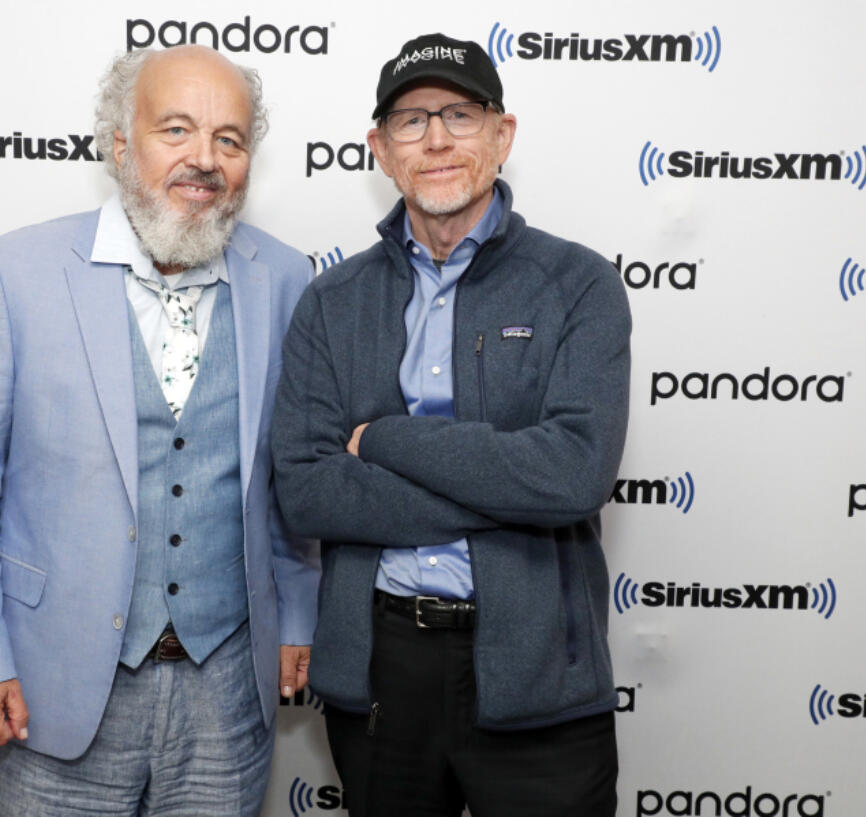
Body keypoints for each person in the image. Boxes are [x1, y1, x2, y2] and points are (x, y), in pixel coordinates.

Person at [0, 44, 319, 816]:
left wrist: (297, 613)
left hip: (226, 700)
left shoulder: (287, 278)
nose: (204, 159)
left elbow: (287, 481)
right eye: (177, 129)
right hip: (44, 693)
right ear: (120, 142)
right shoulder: (13, 272)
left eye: (229, 140)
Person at [271, 33, 631, 817]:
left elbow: (573, 474)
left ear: (502, 135)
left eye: (460, 114)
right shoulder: (331, 301)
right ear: (380, 150)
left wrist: (386, 442)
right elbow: (306, 491)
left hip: (541, 675)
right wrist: (509, 486)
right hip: (379, 676)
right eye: (410, 119)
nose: (436, 138)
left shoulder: (580, 285)